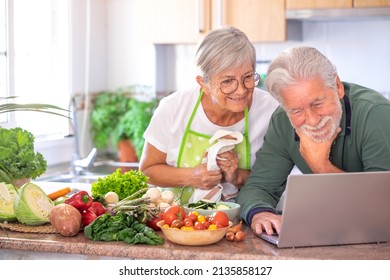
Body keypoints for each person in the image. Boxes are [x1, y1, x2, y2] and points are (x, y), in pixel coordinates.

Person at [237, 46, 390, 236]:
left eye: (317, 104)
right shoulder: (282, 121)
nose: (312, 120)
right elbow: (258, 187)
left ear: (338, 86)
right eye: (297, 111)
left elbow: (382, 205)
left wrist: (321, 167)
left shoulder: (376, 114)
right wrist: (259, 213)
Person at [139, 26, 278, 204]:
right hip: (177, 221)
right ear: (203, 83)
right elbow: (147, 171)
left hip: (243, 221)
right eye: (228, 81)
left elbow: (273, 179)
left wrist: (236, 177)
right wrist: (192, 176)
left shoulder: (269, 110)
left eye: (248, 77)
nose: (241, 90)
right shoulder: (173, 108)